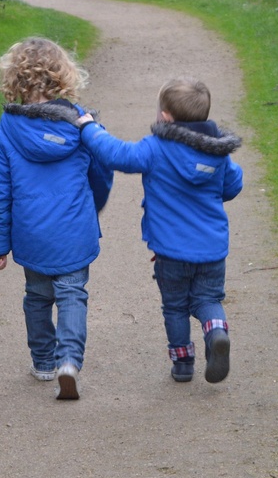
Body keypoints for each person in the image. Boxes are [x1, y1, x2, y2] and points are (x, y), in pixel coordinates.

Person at [76, 77, 242, 384]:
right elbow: (233, 185)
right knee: (208, 298)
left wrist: (89, 128)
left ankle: (183, 363)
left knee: (176, 306)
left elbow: (117, 155)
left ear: (165, 116)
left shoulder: (156, 148)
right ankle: (216, 330)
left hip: (171, 250)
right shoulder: (218, 152)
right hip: (212, 248)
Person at [0, 37, 112, 400]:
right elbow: (101, 174)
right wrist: (93, 206)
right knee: (72, 294)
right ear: (63, 78)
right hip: (74, 230)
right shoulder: (82, 126)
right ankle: (69, 359)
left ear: (13, 82)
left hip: (31, 233)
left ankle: (43, 361)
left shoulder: (3, 133)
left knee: (38, 297)